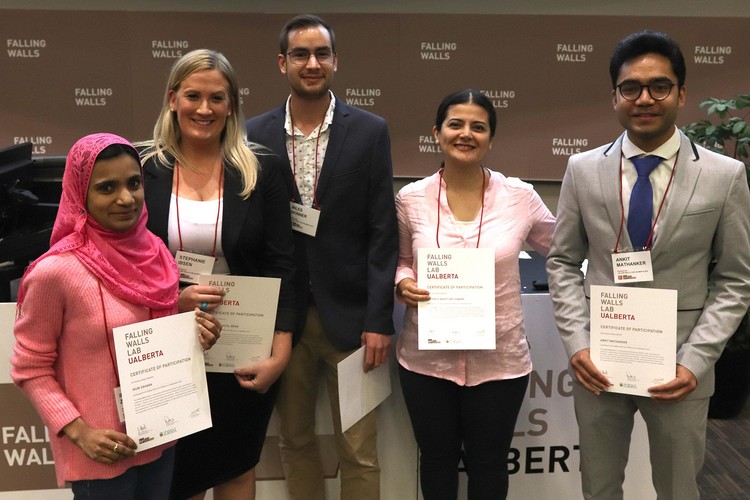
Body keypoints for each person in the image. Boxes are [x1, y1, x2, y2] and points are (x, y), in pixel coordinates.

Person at [545, 30, 750, 500]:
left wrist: (696, 361)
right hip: (600, 361)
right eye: (630, 88)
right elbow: (561, 261)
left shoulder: (724, 175)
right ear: (615, 96)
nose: (645, 99)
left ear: (681, 93)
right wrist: (578, 344)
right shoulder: (582, 169)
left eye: (659, 86)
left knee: (679, 489)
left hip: (678, 367)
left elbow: (735, 279)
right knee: (598, 487)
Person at [11, 133, 221, 499]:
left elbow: (157, 336)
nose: (126, 198)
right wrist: (80, 432)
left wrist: (194, 333)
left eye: (133, 183)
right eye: (107, 188)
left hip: (161, 435)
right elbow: (30, 368)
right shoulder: (55, 272)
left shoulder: (155, 252)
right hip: (101, 452)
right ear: (81, 195)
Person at [245, 14, 398, 500]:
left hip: (353, 321)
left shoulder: (371, 131)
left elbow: (382, 230)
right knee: (294, 441)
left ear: (335, 60)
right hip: (282, 321)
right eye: (300, 55)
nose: (312, 64)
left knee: (359, 448)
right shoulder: (253, 134)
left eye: (322, 54)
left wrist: (379, 319)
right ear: (282, 63)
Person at [140, 49, 296, 499]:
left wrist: (280, 353)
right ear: (173, 98)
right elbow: (125, 263)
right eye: (193, 96)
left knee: (236, 467)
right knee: (177, 475)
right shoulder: (144, 167)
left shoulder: (261, 168)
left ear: (232, 105)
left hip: (241, 344)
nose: (204, 109)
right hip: (167, 339)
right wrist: (173, 300)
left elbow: (283, 264)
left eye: (217, 98)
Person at [395, 89, 555, 499]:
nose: (466, 134)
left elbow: (562, 248)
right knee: (436, 460)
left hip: (499, 362)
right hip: (426, 361)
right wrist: (403, 282)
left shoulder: (520, 197)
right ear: (437, 132)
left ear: (490, 139)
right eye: (456, 124)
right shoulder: (410, 198)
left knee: (488, 464)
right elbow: (400, 260)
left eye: (478, 127)